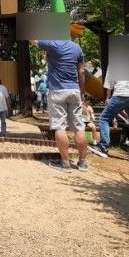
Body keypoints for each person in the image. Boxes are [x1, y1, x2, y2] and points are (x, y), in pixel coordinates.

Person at [30, 38, 88, 171]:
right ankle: (82, 162)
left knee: (59, 126)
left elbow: (33, 39)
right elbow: (82, 72)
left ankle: (65, 162)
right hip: (74, 90)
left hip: (57, 90)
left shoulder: (53, 44)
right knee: (79, 127)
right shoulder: (77, 47)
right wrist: (82, 91)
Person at [89, 78, 129, 165]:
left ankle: (102, 146)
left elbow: (109, 81)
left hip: (122, 93)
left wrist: (108, 97)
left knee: (104, 118)